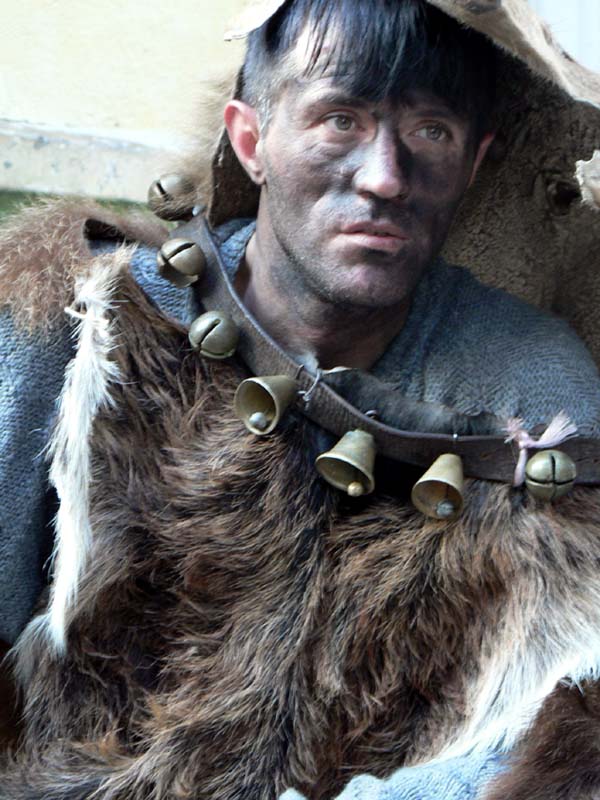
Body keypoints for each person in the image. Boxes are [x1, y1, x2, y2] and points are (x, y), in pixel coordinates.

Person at [2, 1, 600, 798]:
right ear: (252, 140)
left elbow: (553, 720)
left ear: (474, 161)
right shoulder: (78, 323)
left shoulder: (532, 388)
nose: (384, 177)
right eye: (339, 120)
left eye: (432, 132)